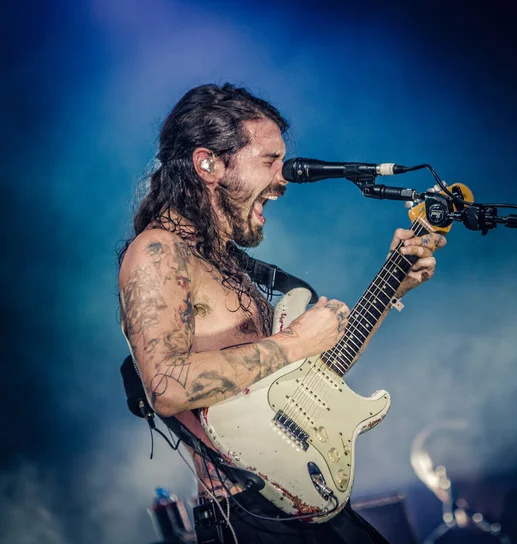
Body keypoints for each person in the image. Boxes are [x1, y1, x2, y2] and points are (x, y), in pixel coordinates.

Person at [118, 83, 446, 543]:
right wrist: (296, 342)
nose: (283, 178)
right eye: (269, 160)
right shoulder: (156, 253)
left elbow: (305, 379)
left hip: (302, 499)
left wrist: (394, 284)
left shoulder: (225, 260)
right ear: (208, 163)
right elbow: (167, 387)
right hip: (248, 516)